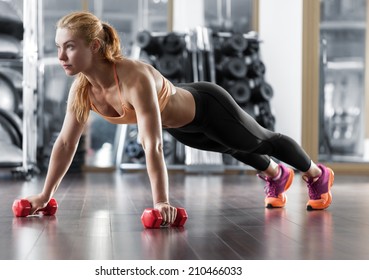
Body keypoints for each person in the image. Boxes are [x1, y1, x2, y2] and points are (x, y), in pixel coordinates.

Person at [25, 11, 334, 225]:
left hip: (207, 106)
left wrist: (161, 202)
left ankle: (316, 174)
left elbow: (152, 144)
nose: (61, 56)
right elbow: (66, 143)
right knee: (230, 147)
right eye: (58, 48)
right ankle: (275, 174)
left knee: (258, 140)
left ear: (93, 46)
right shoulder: (83, 90)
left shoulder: (134, 78)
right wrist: (45, 195)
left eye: (69, 47)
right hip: (182, 127)